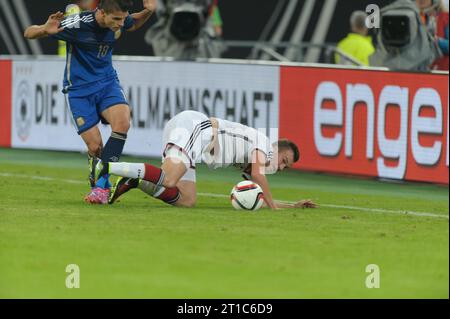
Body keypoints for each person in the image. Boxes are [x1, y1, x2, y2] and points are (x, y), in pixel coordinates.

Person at [24, 0, 157, 204]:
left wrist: (148, 11)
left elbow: (135, 22)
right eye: (116, 20)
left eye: (123, 19)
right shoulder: (76, 24)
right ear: (101, 13)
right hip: (78, 91)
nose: (121, 24)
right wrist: (44, 29)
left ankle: (101, 187)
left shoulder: (118, 18)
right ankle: (95, 173)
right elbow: (28, 33)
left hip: (107, 83)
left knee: (122, 123)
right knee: (95, 147)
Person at [98, 110, 318, 210]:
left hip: (194, 135)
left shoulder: (255, 158)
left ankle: (135, 181)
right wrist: (273, 208)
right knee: (169, 179)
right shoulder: (264, 144)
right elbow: (260, 176)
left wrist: (293, 206)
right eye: (283, 160)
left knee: (186, 200)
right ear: (276, 148)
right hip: (195, 127)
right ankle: (104, 166)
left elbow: (261, 197)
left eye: (285, 167)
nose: (280, 167)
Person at [416, 0, 449, 70]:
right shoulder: (410, 19)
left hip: (441, 72)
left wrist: (436, 41)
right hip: (416, 71)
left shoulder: (446, 18)